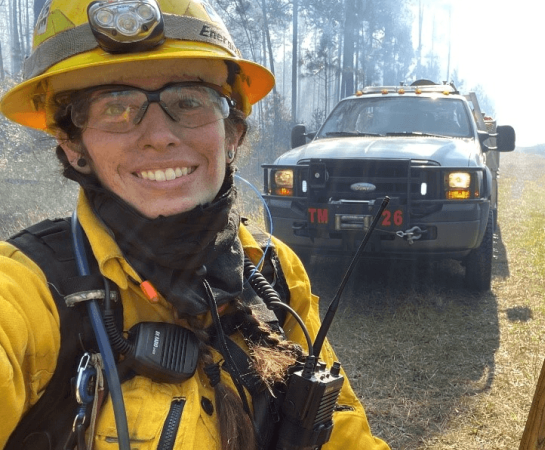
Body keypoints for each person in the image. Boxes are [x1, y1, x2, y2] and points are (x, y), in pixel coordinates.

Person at [0, 0, 390, 449]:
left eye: (188, 101)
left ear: (232, 136)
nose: (159, 134)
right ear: (72, 146)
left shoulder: (271, 267)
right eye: (116, 107)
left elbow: (341, 432)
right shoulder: (33, 290)